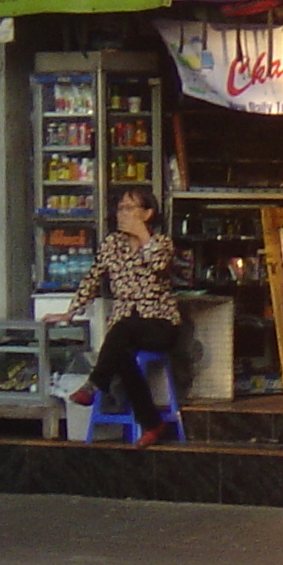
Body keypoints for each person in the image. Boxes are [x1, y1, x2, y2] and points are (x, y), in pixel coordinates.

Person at [66, 185, 181, 449]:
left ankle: (95, 385)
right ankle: (152, 424)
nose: (122, 214)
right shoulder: (112, 244)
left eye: (129, 209)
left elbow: (158, 266)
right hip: (125, 326)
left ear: (147, 212)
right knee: (122, 345)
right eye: (120, 209)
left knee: (122, 329)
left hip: (159, 322)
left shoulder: (161, 243)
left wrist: (142, 235)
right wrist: (72, 310)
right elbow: (93, 276)